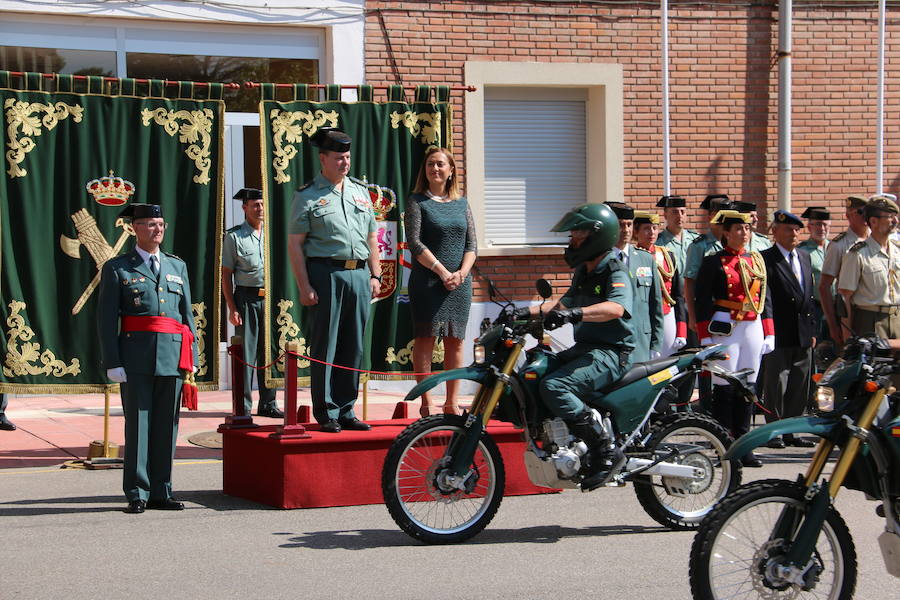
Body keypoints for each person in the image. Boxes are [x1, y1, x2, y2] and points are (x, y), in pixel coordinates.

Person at [524, 203, 634, 491]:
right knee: (539, 372)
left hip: (611, 353)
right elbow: (563, 304)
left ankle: (605, 451)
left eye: (577, 234)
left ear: (596, 235)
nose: (571, 240)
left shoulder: (614, 269)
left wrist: (574, 315)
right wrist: (526, 313)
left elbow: (616, 308)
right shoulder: (584, 272)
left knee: (556, 386)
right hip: (586, 349)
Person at [97, 203, 198, 513]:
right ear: (134, 229)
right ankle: (137, 491)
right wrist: (113, 361)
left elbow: (186, 316)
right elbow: (105, 319)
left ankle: (161, 491)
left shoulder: (176, 266)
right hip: (136, 357)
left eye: (161, 224)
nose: (158, 230)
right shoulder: (117, 268)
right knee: (139, 425)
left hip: (171, 356)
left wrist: (191, 356)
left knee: (167, 425)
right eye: (151, 224)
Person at [287, 127, 379, 433]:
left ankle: (347, 408)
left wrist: (375, 275)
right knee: (326, 344)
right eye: (338, 158)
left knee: (353, 345)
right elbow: (295, 244)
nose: (344, 163)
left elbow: (371, 238)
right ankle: (326, 411)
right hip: (326, 273)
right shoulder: (307, 195)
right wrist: (304, 285)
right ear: (323, 159)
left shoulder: (359, 191)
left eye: (348, 157)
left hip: (359, 274)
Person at [695, 209, 774, 467]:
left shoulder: (757, 261)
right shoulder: (712, 262)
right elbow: (702, 299)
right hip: (724, 326)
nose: (744, 233)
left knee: (748, 387)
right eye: (739, 229)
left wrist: (769, 331)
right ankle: (723, 445)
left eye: (747, 229)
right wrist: (705, 335)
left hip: (751, 325)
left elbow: (765, 299)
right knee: (725, 386)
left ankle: (744, 445)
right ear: (726, 233)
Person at [405, 147, 477, 417]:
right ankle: (426, 403)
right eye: (430, 165)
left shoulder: (462, 203)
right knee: (426, 338)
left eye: (440, 164)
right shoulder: (416, 201)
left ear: (451, 170)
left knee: (455, 341)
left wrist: (461, 273)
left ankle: (452, 402)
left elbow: (472, 244)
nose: (434, 169)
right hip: (428, 282)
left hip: (459, 283)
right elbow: (415, 242)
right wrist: (442, 271)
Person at [222, 188, 283, 419]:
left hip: (271, 300)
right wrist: (232, 307)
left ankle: (268, 403)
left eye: (262, 204)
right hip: (246, 299)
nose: (259, 209)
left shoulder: (273, 235)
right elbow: (226, 274)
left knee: (270, 352)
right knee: (247, 355)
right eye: (255, 205)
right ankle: (244, 405)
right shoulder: (234, 236)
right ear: (244, 208)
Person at [759, 210, 817, 448]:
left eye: (796, 230)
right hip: (779, 330)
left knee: (799, 383)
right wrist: (768, 331)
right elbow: (766, 299)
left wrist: (812, 330)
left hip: (802, 331)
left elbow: (809, 296)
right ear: (774, 231)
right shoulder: (766, 258)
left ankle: (792, 430)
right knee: (776, 383)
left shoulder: (804, 257)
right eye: (787, 229)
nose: (793, 234)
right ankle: (774, 430)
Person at [684, 194, 733, 411]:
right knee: (706, 361)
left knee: (728, 361)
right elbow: (689, 282)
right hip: (707, 311)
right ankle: (706, 406)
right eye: (718, 214)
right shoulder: (700, 245)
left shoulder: (734, 243)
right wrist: (693, 316)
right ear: (711, 216)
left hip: (730, 313)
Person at [837, 196, 900, 348]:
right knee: (874, 368)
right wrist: (847, 335)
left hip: (897, 318)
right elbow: (845, 296)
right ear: (873, 221)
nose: (895, 221)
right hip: (871, 320)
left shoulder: (897, 249)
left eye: (895, 217)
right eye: (889, 217)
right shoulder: (857, 254)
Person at [607, 201, 664, 363]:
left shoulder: (645, 258)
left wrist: (656, 344)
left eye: (629, 225)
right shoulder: (599, 259)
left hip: (641, 341)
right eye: (620, 225)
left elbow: (656, 304)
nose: (626, 230)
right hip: (610, 342)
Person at [633, 210, 686, 356]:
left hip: (666, 314)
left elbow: (678, 295)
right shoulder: (631, 256)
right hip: (642, 317)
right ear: (636, 231)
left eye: (655, 228)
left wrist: (681, 330)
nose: (651, 232)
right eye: (646, 228)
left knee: (667, 365)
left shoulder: (668, 256)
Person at [819, 195, 869, 346]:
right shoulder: (839, 245)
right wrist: (834, 326)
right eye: (861, 212)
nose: (866, 216)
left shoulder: (876, 241)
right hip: (850, 314)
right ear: (848, 216)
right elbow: (824, 286)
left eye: (869, 211)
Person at [797, 206, 831, 342]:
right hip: (815, 308)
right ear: (809, 227)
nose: (821, 229)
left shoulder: (835, 248)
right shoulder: (802, 251)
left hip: (835, 307)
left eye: (825, 225)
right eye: (817, 225)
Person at [655, 194, 700, 276]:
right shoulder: (658, 243)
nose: (680, 216)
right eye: (675, 212)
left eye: (682, 212)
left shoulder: (696, 240)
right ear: (665, 215)